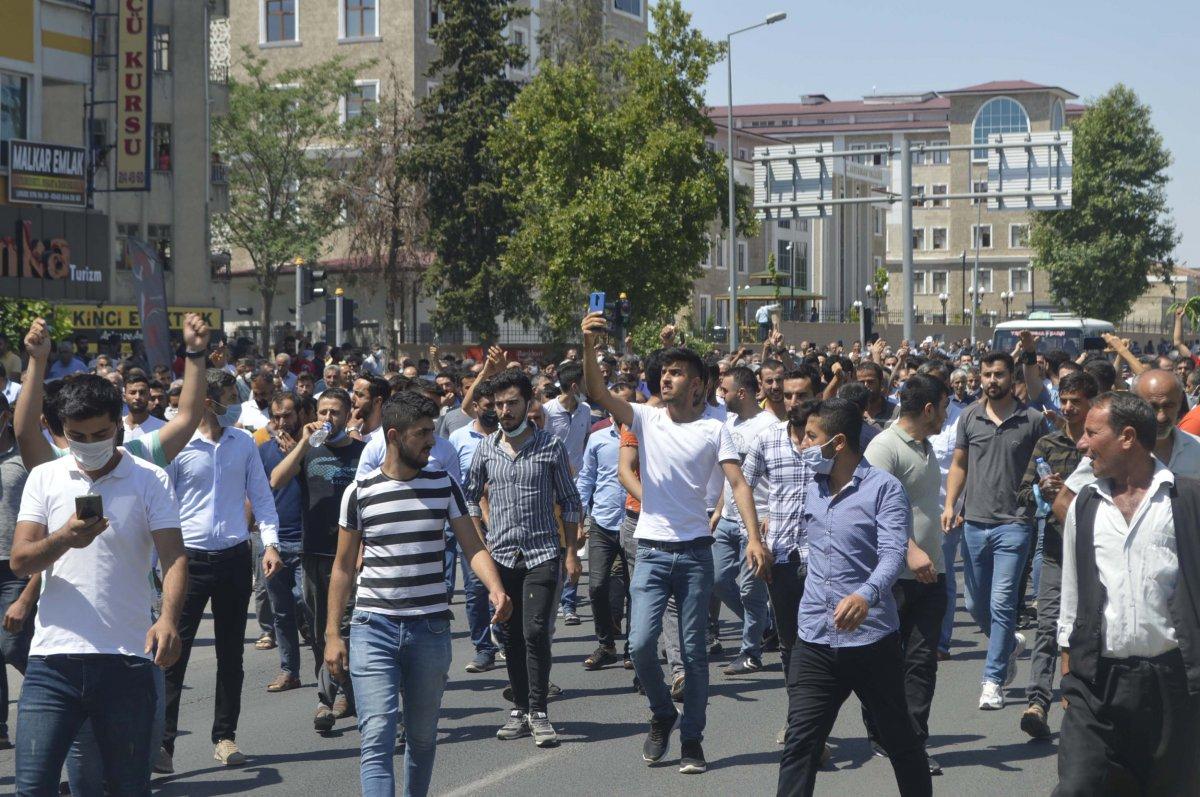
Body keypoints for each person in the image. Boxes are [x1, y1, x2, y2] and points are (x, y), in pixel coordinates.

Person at [581, 312, 770, 776]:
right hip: (650, 550)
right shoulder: (644, 417)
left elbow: (738, 484)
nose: (666, 377)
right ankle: (664, 712)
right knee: (642, 645)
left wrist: (753, 537)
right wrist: (588, 346)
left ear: (698, 385)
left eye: (677, 372)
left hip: (695, 554)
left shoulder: (715, 427)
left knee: (693, 653)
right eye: (664, 371)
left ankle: (692, 739)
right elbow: (597, 393)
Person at [326, 391, 512, 796]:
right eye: (422, 433)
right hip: (372, 627)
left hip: (429, 630)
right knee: (376, 735)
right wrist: (332, 635)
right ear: (394, 436)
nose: (433, 441)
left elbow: (473, 545)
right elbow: (342, 567)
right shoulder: (359, 492)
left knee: (423, 738)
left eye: (433, 430)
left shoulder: (443, 484)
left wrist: (496, 587)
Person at [10, 375, 187, 795]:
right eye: (77, 436)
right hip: (52, 664)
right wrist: (65, 539)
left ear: (118, 426)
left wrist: (168, 619)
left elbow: (174, 556)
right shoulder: (45, 477)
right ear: (62, 431)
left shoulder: (149, 478)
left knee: (127, 787)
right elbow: (20, 560)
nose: (89, 443)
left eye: (100, 434)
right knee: (32, 787)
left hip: (125, 660)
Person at [777, 399, 931, 797]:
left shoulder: (884, 489)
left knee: (899, 740)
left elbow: (894, 552)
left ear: (839, 442)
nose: (804, 444)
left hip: (871, 641)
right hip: (814, 638)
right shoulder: (811, 486)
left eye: (812, 437)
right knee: (801, 743)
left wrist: (866, 595)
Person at [1053, 392, 1200, 795]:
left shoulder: (1186, 499)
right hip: (1097, 680)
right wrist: (1069, 670)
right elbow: (1072, 593)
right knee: (1078, 786)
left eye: (1091, 432)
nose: (1081, 443)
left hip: (1172, 682)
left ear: (1128, 437)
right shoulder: (1085, 504)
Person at [162, 369, 284, 768]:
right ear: (207, 400)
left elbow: (262, 497)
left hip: (233, 558)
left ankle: (225, 737)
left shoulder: (243, 442)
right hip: (188, 562)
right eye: (230, 396)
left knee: (230, 655)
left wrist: (270, 543)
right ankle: (162, 744)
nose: (235, 404)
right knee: (173, 653)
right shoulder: (178, 447)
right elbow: (161, 506)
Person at [463, 369, 582, 748]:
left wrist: (570, 553)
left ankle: (540, 711)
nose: (505, 410)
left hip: (542, 553)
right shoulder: (486, 448)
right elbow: (467, 497)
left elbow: (571, 501)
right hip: (501, 556)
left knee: (534, 631)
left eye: (512, 402)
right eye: (498, 404)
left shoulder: (550, 446)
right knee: (509, 635)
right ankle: (519, 709)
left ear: (528, 402)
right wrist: (480, 538)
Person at [943, 344, 1046, 709]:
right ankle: (1010, 644)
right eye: (986, 375)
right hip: (973, 522)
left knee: (1002, 603)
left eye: (998, 374)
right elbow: (959, 465)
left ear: (1010, 377)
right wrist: (950, 504)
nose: (991, 381)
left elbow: (1046, 467)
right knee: (974, 603)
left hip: (1014, 524)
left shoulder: (1032, 420)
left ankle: (992, 680)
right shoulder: (969, 417)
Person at [861, 375, 950, 776]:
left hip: (932, 577)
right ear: (929, 408)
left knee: (921, 662)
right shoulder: (884, 447)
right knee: (883, 661)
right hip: (892, 577)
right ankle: (881, 730)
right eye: (944, 406)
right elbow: (876, 508)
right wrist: (911, 550)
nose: (947, 414)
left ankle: (913, 743)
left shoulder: (927, 447)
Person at [270, 387, 366, 731]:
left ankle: (342, 697)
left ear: (347, 414)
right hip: (314, 553)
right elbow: (276, 480)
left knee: (346, 629)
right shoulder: (309, 451)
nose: (328, 419)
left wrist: (366, 550)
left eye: (335, 412)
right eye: (323, 412)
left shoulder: (363, 452)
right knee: (319, 630)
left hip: (352, 556)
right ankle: (331, 696)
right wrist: (302, 444)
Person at [1012, 370, 1098, 740]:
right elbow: (1022, 495)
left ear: (1092, 403)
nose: (1067, 408)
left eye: (1075, 402)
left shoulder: (1100, 448)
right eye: (1064, 401)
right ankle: (1038, 703)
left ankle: (1086, 705)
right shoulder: (1048, 444)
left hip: (1096, 555)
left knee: (1089, 632)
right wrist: (1040, 493)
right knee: (1047, 626)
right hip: (1054, 550)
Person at [742, 399, 818, 747]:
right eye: (788, 394)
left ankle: (818, 721)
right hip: (783, 557)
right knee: (790, 644)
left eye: (800, 394)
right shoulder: (767, 439)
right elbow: (741, 487)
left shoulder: (829, 440)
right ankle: (799, 720)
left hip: (824, 558)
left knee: (825, 643)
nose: (792, 400)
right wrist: (755, 538)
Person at [711, 366, 777, 675]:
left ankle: (751, 652)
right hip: (726, 519)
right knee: (716, 579)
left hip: (757, 522)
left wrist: (770, 517)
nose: (720, 395)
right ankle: (764, 623)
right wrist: (718, 509)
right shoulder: (730, 421)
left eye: (724, 390)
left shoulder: (771, 426)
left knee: (751, 589)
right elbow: (733, 477)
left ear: (742, 392)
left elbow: (778, 479)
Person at [448, 379, 505, 674]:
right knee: (474, 589)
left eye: (497, 406)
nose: (494, 412)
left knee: (508, 584)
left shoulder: (509, 437)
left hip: (507, 523)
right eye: (487, 406)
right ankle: (484, 648)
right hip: (470, 524)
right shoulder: (458, 438)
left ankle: (509, 643)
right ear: (476, 407)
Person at [256, 391, 310, 694]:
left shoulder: (313, 448)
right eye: (276, 416)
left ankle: (327, 668)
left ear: (300, 415)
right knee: (281, 611)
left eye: (287, 415)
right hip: (274, 541)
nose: (281, 422)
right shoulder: (262, 452)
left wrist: (298, 455)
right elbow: (256, 493)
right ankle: (289, 670)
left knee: (305, 600)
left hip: (306, 540)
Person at [578, 382, 630, 671]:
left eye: (629, 402)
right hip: (602, 522)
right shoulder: (598, 438)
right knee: (597, 586)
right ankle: (606, 644)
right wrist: (578, 519)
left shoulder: (646, 435)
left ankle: (633, 648)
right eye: (617, 402)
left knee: (637, 589)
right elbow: (586, 479)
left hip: (637, 524)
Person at [0, 395, 33, 751]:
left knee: (11, 645)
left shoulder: (25, 459)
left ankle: (59, 689)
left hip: (15, 565)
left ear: (6, 416)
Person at [122, 371, 166, 440]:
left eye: (142, 393)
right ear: (124, 397)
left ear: (149, 396)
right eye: (132, 393)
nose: (137, 397)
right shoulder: (114, 428)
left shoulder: (163, 428)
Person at [240, 366, 275, 432]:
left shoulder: (280, 411)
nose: (258, 399)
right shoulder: (244, 407)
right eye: (255, 394)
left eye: (263, 394)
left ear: (272, 389)